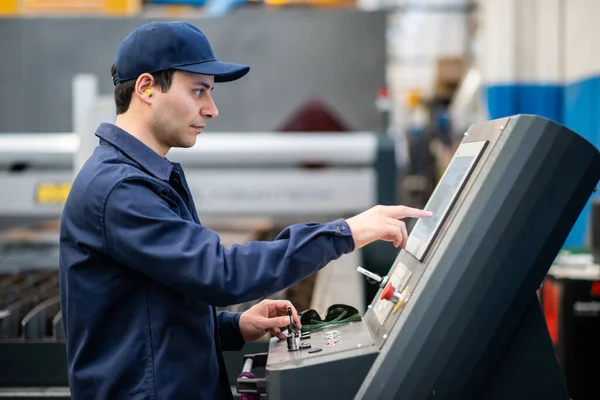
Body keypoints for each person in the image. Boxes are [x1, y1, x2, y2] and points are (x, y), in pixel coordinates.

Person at [58, 21, 432, 400]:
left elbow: (149, 315)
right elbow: (222, 275)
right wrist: (344, 233)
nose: (212, 108)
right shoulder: (122, 189)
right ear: (146, 88)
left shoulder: (141, 177)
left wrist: (235, 327)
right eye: (199, 91)